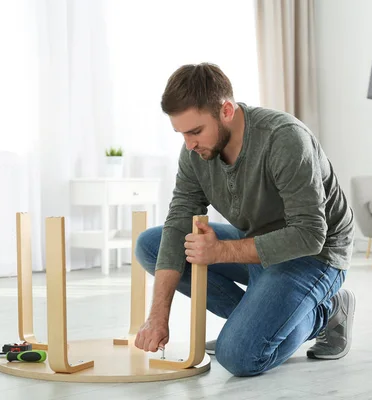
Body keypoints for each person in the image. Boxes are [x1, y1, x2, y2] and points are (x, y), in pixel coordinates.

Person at [133, 63, 356, 377]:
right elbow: (178, 224)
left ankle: (326, 312)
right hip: (256, 243)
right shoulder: (195, 153)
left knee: (238, 357)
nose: (189, 144)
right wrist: (158, 316)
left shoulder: (284, 139)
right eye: (182, 133)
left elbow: (309, 235)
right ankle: (258, 320)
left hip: (314, 256)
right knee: (151, 245)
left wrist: (222, 252)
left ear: (226, 110)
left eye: (195, 131)